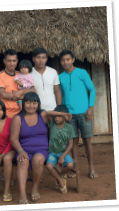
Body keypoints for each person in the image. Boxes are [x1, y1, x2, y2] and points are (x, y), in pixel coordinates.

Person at [10, 92, 70, 204]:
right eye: (28, 103)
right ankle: (22, 193)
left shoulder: (42, 114)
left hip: (42, 149)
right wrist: (20, 150)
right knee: (23, 161)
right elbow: (13, 138)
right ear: (23, 103)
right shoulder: (18, 118)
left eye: (34, 103)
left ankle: (35, 188)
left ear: (38, 104)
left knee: (38, 159)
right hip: (24, 149)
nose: (31, 106)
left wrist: (64, 115)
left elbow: (50, 113)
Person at [59, 49, 98, 179]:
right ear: (60, 62)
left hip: (84, 112)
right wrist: (63, 113)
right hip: (69, 115)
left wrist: (90, 108)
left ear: (73, 60)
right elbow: (61, 96)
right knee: (73, 142)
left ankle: (91, 168)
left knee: (87, 140)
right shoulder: (60, 77)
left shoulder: (82, 73)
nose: (66, 62)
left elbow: (92, 89)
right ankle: (75, 169)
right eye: (63, 60)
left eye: (68, 59)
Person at [0, 49, 36, 118]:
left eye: (14, 61)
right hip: (7, 114)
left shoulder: (21, 74)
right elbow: (4, 94)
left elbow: (33, 90)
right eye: (9, 61)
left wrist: (21, 91)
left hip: (23, 113)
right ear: (4, 61)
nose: (12, 63)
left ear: (17, 61)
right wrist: (22, 97)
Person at [46, 105, 75, 193]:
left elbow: (71, 144)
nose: (56, 118)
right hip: (53, 153)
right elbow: (47, 113)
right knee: (49, 166)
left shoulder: (69, 128)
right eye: (56, 116)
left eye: (59, 116)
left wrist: (62, 156)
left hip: (64, 153)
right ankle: (60, 180)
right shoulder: (52, 124)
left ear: (64, 117)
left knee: (70, 165)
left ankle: (59, 175)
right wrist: (64, 113)